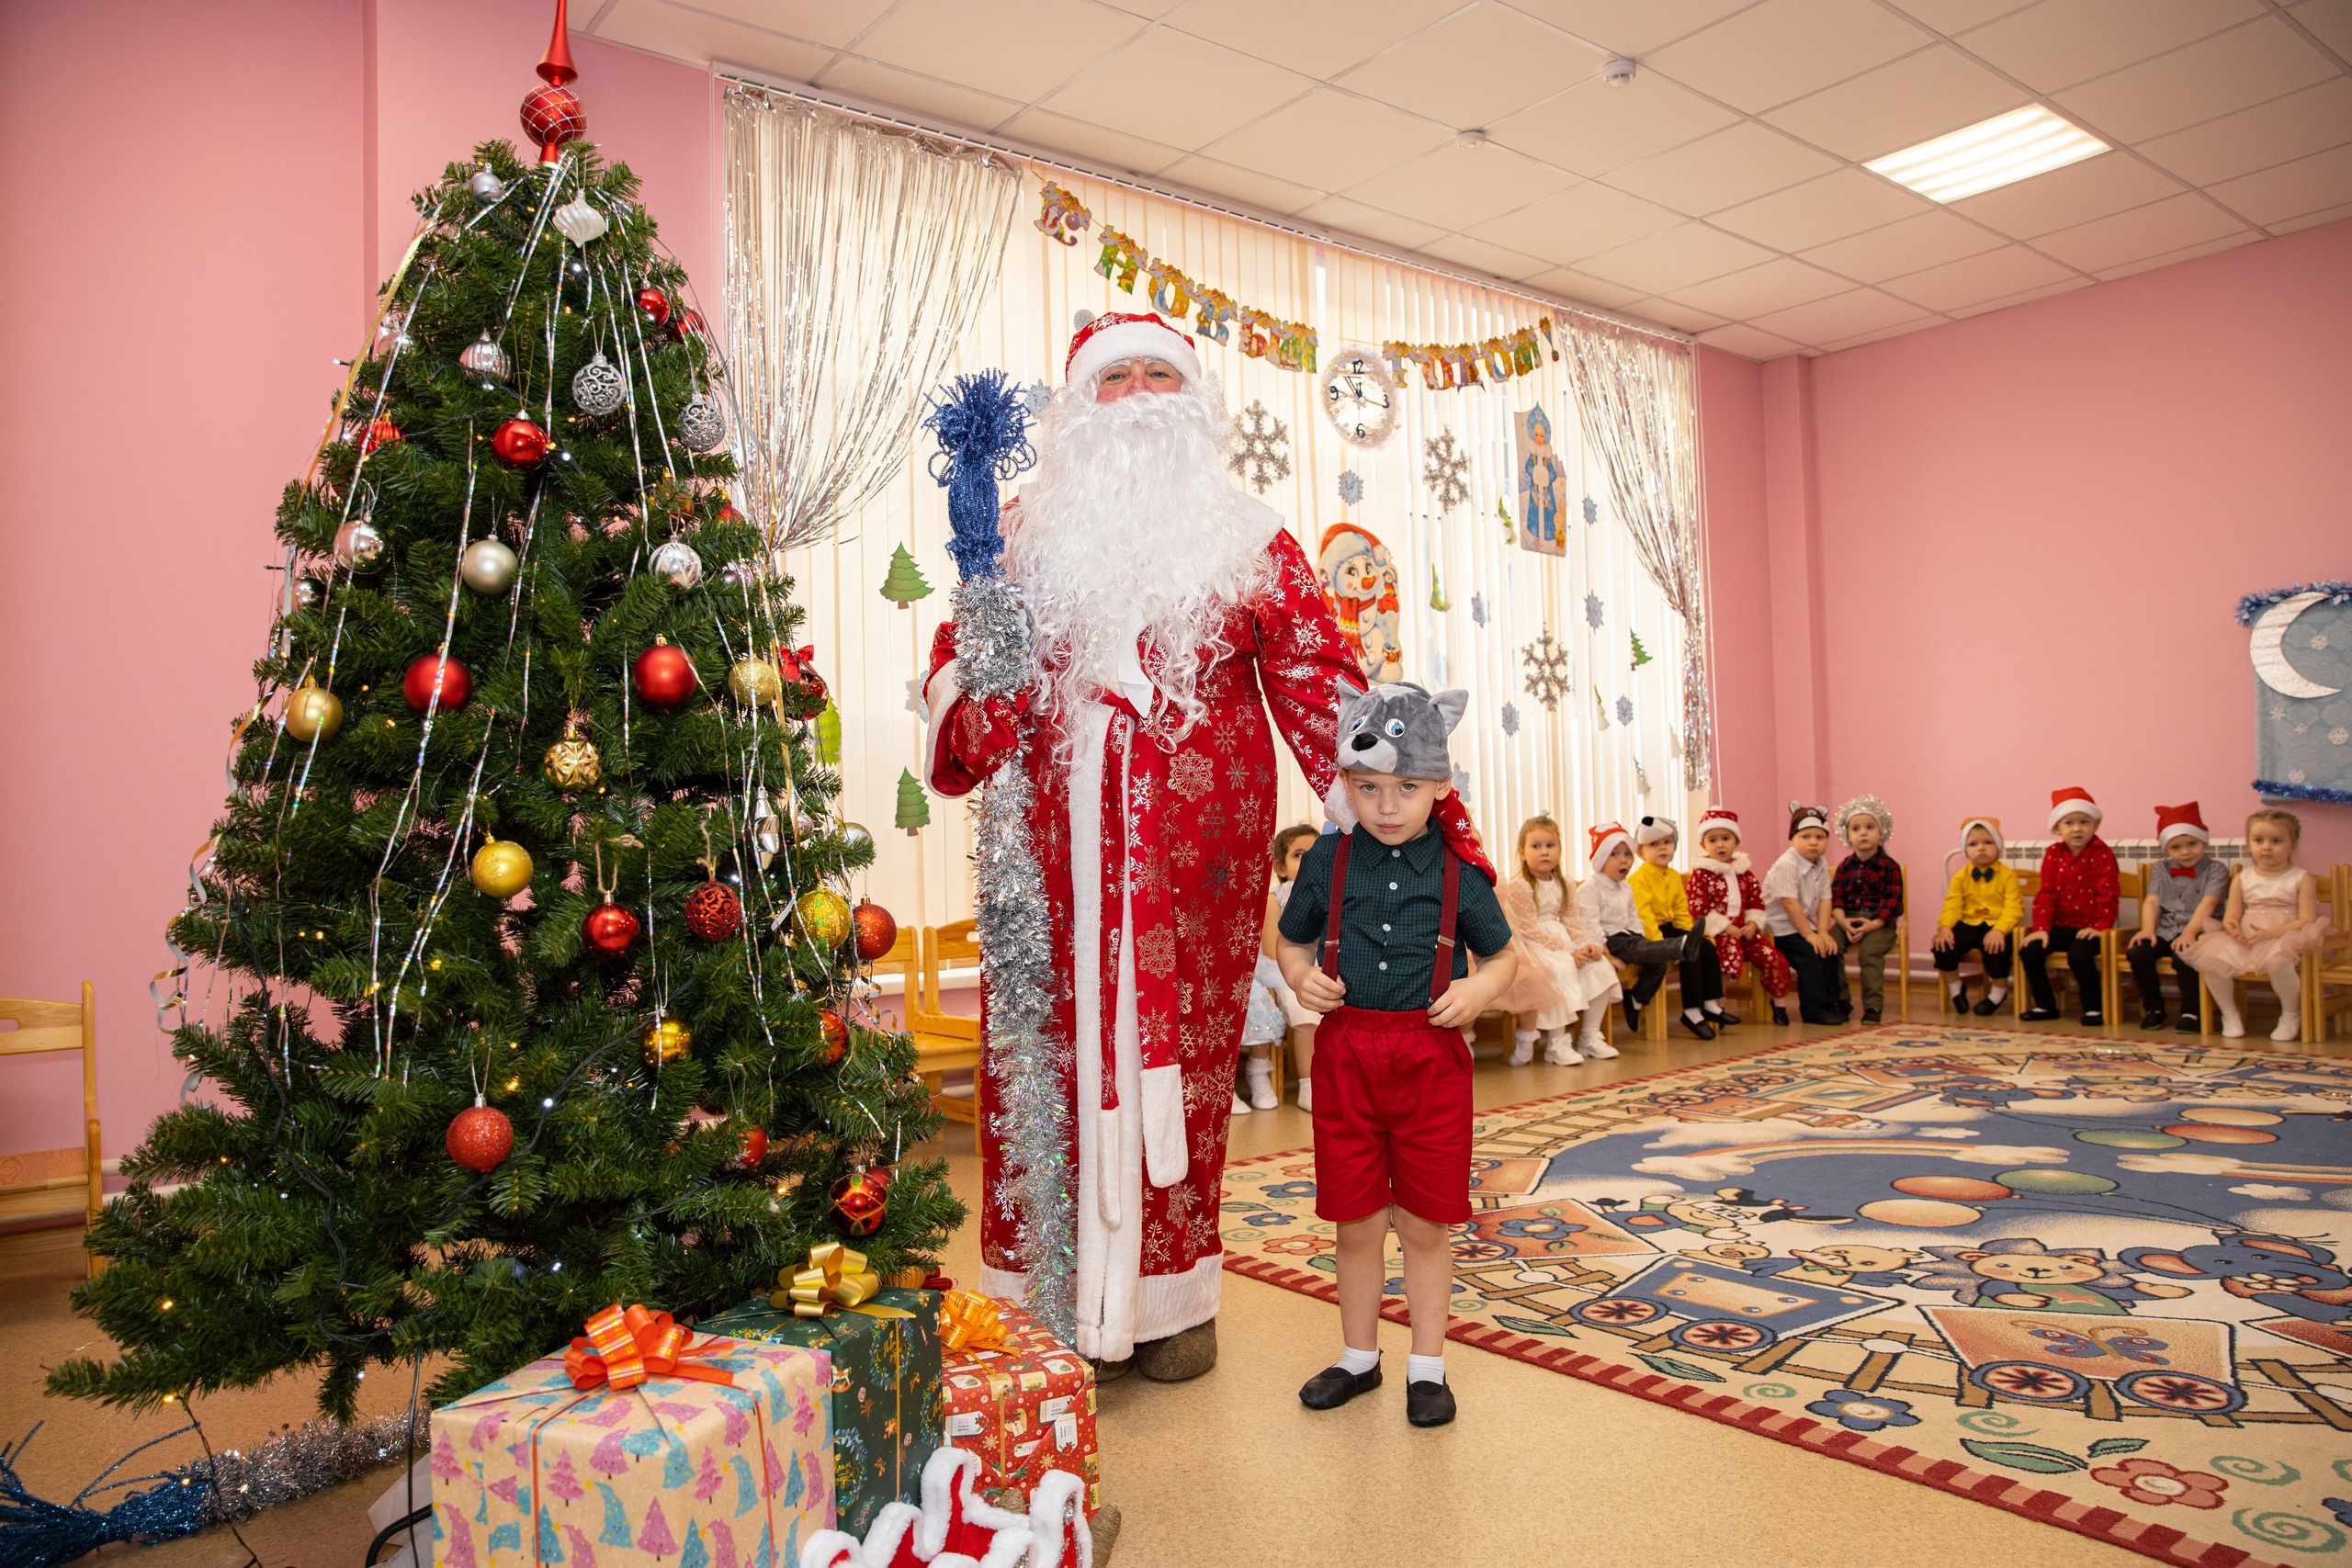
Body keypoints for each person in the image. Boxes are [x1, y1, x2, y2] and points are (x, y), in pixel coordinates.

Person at [924, 312, 1488, 1380]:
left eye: (1159, 374)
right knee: (1038, 1068)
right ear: (1078, 404)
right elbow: (962, 682)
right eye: (1115, 376)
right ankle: (1039, 1302)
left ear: (1193, 399)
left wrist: (1444, 832)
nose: (1139, 393)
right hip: (1046, 868)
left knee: (1183, 1071)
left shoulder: (1251, 540)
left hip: (1197, 871)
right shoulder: (1013, 534)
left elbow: (1328, 697)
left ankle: (1172, 1304)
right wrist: (978, 686)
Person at [1276, 682, 1515, 1429]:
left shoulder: (1457, 869)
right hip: (1346, 1057)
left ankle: (1427, 1366)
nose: (1387, 805)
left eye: (1406, 787)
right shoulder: (1326, 862)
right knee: (1354, 1220)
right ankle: (1358, 1358)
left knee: (1423, 1222)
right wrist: (1297, 974)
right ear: (1347, 782)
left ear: (1439, 787)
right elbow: (1289, 939)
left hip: (1430, 1059)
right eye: (1369, 786)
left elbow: (1503, 956)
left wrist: (1479, 993)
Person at [2183, 807, 2331, 1041]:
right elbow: (2232, 916)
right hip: (2247, 936)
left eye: (2276, 841)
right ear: (2249, 845)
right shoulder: (2243, 878)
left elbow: (2307, 919)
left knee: (2279, 963)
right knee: (2212, 961)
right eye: (2259, 840)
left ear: (2293, 845)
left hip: (2284, 935)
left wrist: (2271, 934)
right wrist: (2233, 928)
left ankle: (2291, 1014)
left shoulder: (2301, 878)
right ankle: (2229, 1013)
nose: (2266, 847)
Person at [1495, 813, 1621, 1066]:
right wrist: (1567, 951)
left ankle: (1589, 1036)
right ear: (1522, 852)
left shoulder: (1566, 883)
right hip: (1535, 945)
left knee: (1600, 967)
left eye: (1550, 846)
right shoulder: (1521, 885)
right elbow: (1529, 928)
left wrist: (1586, 945)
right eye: (1536, 846)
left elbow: (1574, 921)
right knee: (1560, 969)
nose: (1544, 852)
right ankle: (1557, 1042)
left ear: (1560, 850)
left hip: (1563, 941)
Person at [1580, 821, 1710, 1038]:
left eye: (1627, 854)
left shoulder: (1625, 886)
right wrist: (1607, 955)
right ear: (1601, 858)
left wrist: (1643, 940)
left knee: (1657, 959)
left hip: (1629, 937)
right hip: (1609, 940)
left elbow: (1634, 918)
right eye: (1615, 854)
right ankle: (1681, 947)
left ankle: (1635, 999)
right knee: (1640, 948)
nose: (1623, 860)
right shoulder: (1591, 888)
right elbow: (1590, 925)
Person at [1685, 807, 1794, 1026]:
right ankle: (1717, 1004)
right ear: (1703, 845)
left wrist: (1753, 922)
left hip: (1746, 930)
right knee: (1728, 957)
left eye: (1726, 839)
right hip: (1720, 933)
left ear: (1736, 842)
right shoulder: (1701, 875)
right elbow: (1698, 907)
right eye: (1713, 840)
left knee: (1773, 958)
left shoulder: (1745, 872)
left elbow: (1756, 900)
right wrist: (1724, 927)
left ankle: (1779, 1004)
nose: (1720, 845)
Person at [2019, 787, 2118, 1025]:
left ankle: (2094, 1007)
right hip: (2059, 925)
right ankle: (2045, 1005)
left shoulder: (2103, 854)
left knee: (2079, 954)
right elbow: (2047, 893)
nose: (2077, 828)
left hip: (2090, 927)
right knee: (2030, 950)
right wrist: (2041, 927)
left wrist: (2101, 927)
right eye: (2069, 823)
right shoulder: (2053, 853)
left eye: (2084, 822)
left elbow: (2108, 893)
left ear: (2094, 825)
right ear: (2058, 828)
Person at [2127, 803, 2226, 1032]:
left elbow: (2208, 903)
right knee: (2138, 952)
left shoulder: (2216, 869)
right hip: (2167, 927)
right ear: (2166, 849)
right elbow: (2152, 900)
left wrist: (2190, 932)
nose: (2185, 851)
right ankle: (2154, 1009)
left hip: (2200, 928)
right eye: (2176, 847)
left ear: (2204, 842)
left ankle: (2192, 1012)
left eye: (2192, 844)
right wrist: (2148, 929)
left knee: (2185, 954)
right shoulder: (2160, 869)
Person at [1628, 816, 1729, 1036]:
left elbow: (1682, 911)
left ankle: (1711, 1004)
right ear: (1640, 853)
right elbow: (1644, 916)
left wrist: (1690, 934)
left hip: (1670, 927)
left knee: (1705, 947)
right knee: (1688, 952)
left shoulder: (1673, 876)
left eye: (1667, 842)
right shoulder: (1639, 878)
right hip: (1649, 932)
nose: (1662, 848)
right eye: (1654, 844)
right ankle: (1691, 1011)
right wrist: (1661, 946)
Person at [1255, 824, 1322, 1108]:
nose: (1308, 861)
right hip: (1281, 970)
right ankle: (1309, 1086)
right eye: (1299, 855)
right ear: (1281, 868)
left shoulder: (1335, 892)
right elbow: (1271, 948)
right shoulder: (1276, 898)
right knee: (1303, 1007)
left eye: (1315, 854)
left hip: (1324, 966)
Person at [1764, 803, 1847, 1025]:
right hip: (1778, 928)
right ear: (1792, 840)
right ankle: (1814, 1009)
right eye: (1806, 836)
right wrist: (1811, 936)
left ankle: (1832, 1003)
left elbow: (1825, 899)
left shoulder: (1820, 863)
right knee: (1811, 953)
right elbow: (1790, 904)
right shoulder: (1786, 864)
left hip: (1803, 925)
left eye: (1820, 837)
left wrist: (1822, 931)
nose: (1813, 842)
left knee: (1829, 950)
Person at [1828, 795, 1905, 1024]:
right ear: (1847, 836)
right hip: (1847, 919)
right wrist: (1843, 923)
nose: (1863, 833)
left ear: (1880, 833)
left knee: (1869, 953)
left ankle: (1872, 1006)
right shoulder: (1844, 867)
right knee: (1830, 946)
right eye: (1856, 828)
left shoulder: (1890, 867)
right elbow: (1836, 900)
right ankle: (1841, 1001)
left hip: (1879, 922)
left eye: (1870, 827)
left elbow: (1893, 901)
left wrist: (1873, 924)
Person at [1934, 818, 2022, 1015]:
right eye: (1973, 844)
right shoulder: (1960, 877)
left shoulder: (2008, 876)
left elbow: (2014, 907)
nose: (1981, 848)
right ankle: (1956, 988)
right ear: (1965, 849)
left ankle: (1998, 992)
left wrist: (1999, 930)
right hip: (1969, 922)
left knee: (1996, 948)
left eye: (1988, 842)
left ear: (1998, 846)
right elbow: (1953, 905)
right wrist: (1945, 927)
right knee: (1943, 944)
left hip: (1996, 924)